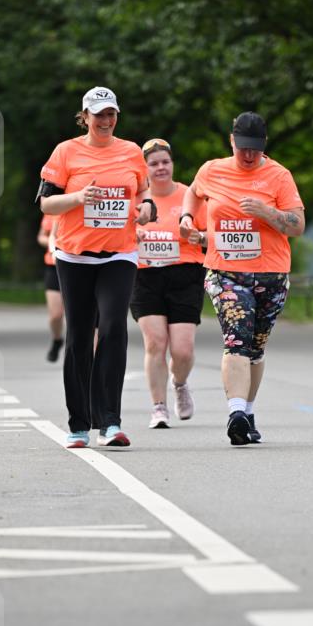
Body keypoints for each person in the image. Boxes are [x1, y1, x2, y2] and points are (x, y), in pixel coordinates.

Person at [37, 86, 154, 449]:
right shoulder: (66, 152)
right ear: (84, 116)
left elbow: (143, 192)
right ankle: (78, 424)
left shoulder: (132, 151)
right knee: (79, 337)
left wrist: (147, 208)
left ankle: (110, 422)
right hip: (74, 256)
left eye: (111, 114)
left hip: (120, 254)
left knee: (115, 327)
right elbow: (45, 204)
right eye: (98, 114)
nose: (105, 121)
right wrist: (77, 198)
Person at [180, 112, 305, 445]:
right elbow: (192, 192)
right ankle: (235, 414)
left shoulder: (279, 176)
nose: (248, 156)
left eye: (255, 149)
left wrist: (267, 212)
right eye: (243, 148)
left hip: (271, 272)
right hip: (225, 271)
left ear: (264, 146)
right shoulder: (212, 170)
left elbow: (297, 225)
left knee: (255, 347)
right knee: (236, 339)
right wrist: (187, 218)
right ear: (231, 141)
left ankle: (248, 410)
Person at [130, 138, 207, 428]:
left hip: (185, 274)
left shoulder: (190, 196)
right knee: (155, 342)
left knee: (182, 350)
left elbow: (207, 234)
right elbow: (118, 234)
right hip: (144, 274)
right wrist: (133, 236)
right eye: (153, 163)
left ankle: (180, 383)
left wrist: (196, 236)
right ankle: (158, 407)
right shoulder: (138, 199)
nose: (160, 167)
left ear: (172, 164)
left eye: (165, 161)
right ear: (145, 168)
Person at [37, 213, 65, 362]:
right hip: (53, 266)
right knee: (56, 315)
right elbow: (41, 236)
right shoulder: (51, 212)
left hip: (76, 264)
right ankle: (57, 339)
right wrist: (52, 241)